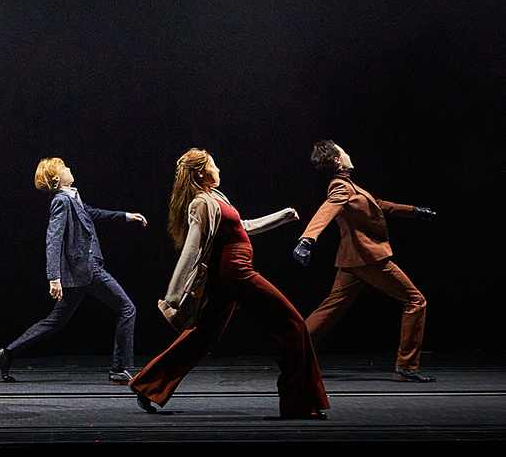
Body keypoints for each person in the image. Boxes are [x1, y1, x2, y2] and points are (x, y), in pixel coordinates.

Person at [129, 149, 329, 419]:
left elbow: (242, 226)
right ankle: (299, 404)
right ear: (200, 171)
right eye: (214, 165)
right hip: (236, 273)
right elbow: (192, 249)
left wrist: (281, 216)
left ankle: (147, 386)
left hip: (233, 273)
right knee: (293, 325)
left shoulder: (216, 197)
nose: (219, 170)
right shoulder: (200, 203)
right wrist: (173, 296)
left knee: (202, 335)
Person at [0, 157, 146, 383]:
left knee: (54, 322)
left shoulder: (72, 198)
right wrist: (54, 277)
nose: (69, 168)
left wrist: (125, 216)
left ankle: (7, 354)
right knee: (127, 309)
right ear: (56, 178)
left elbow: (93, 213)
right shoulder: (61, 201)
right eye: (64, 167)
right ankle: (119, 368)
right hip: (86, 268)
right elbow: (53, 238)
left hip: (79, 272)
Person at [293, 141, 437, 382]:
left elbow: (377, 206)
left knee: (331, 308)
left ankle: (293, 351)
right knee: (416, 300)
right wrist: (307, 240)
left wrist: (413, 210)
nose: (347, 151)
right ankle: (406, 366)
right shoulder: (339, 187)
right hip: (369, 258)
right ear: (338, 160)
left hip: (352, 260)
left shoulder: (349, 186)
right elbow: (327, 209)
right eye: (342, 150)